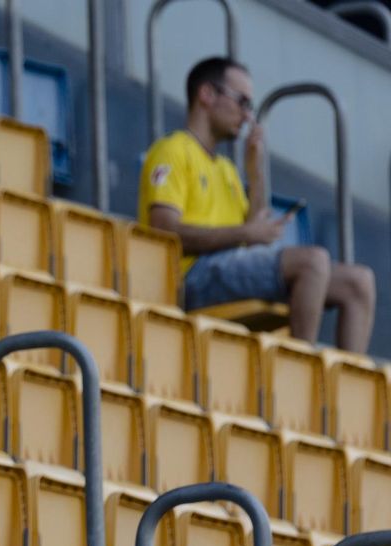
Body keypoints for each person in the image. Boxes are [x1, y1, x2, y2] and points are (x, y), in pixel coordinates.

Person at [139, 56, 376, 352]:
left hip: (229, 271)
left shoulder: (226, 169)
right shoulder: (172, 150)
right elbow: (163, 231)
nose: (248, 116)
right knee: (312, 261)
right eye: (242, 102)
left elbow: (252, 237)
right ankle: (304, 373)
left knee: (359, 282)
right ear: (207, 94)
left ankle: (348, 392)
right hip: (189, 276)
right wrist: (247, 234)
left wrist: (256, 172)